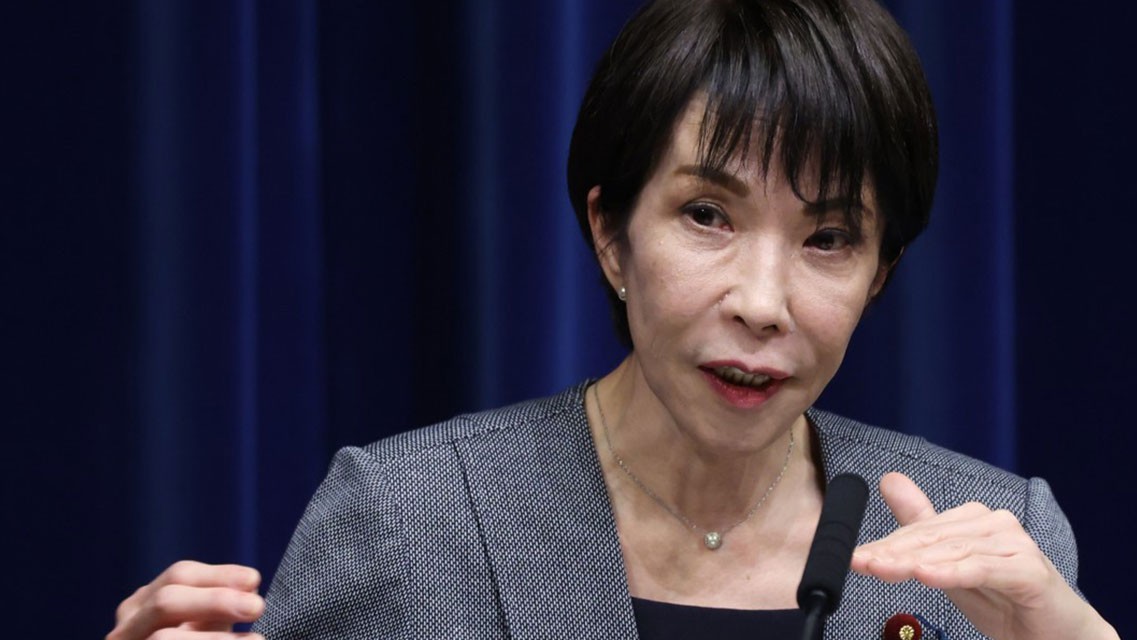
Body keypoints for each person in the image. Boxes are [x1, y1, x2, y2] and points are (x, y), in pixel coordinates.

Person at [107, 0, 1118, 638]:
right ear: (609, 234)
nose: (761, 303)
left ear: (881, 271)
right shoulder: (409, 523)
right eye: (707, 215)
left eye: (827, 238)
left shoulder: (992, 547)